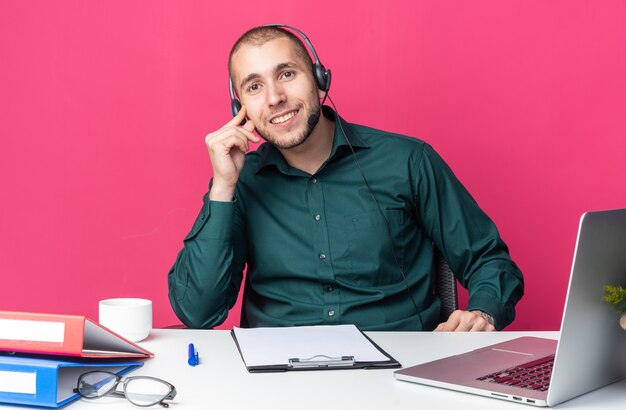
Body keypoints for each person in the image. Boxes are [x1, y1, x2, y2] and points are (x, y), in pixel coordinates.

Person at [168, 25, 524, 332]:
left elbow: (488, 259)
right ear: (239, 108)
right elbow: (199, 313)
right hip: (276, 381)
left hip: (400, 370)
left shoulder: (409, 161)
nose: (275, 97)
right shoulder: (239, 183)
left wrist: (482, 312)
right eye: (254, 87)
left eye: (287, 74)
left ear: (320, 82)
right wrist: (223, 186)